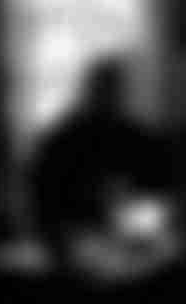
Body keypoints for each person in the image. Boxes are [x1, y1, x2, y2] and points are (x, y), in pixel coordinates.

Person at [29, 59, 175, 262]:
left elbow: (160, 185)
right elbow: (44, 194)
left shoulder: (132, 135)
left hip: (119, 243)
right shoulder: (67, 139)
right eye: (105, 90)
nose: (110, 98)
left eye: (113, 91)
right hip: (79, 242)